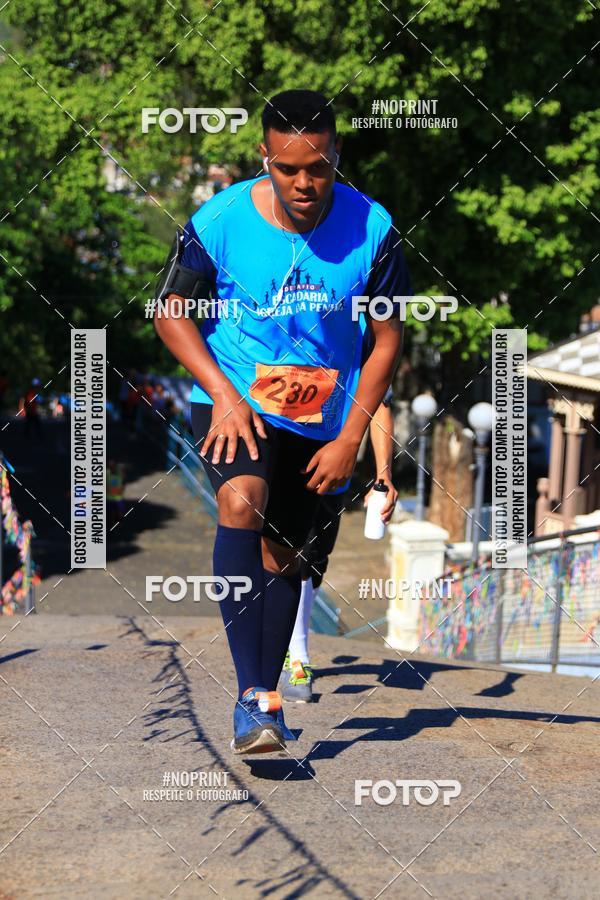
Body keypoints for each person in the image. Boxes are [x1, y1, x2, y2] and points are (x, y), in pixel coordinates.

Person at [153, 89, 409, 755]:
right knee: (243, 500)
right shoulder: (222, 219)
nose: (304, 182)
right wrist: (223, 393)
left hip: (325, 414)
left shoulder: (374, 228)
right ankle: (251, 697)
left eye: (318, 167)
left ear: (336, 157)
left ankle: (264, 705)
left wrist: (352, 436)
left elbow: (386, 341)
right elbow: (169, 311)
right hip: (236, 392)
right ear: (265, 157)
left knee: (288, 556)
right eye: (288, 167)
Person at [280, 396, 398, 702]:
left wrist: (383, 477)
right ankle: (297, 658)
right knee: (294, 554)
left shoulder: (362, 348)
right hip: (283, 459)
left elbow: (380, 407)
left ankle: (291, 643)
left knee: (317, 560)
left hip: (335, 471)